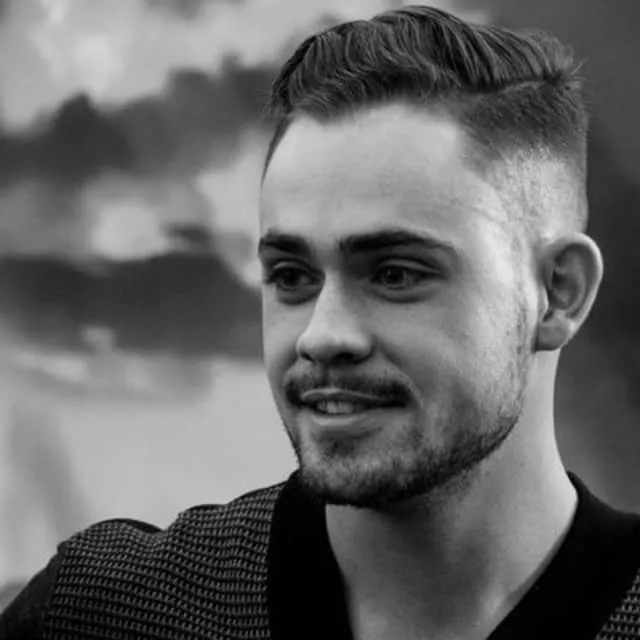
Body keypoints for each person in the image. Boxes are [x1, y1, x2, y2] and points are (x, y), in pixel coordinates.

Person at [2, 5, 640, 639]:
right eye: (291, 276)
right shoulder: (103, 616)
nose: (322, 335)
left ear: (558, 292)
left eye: (395, 274)